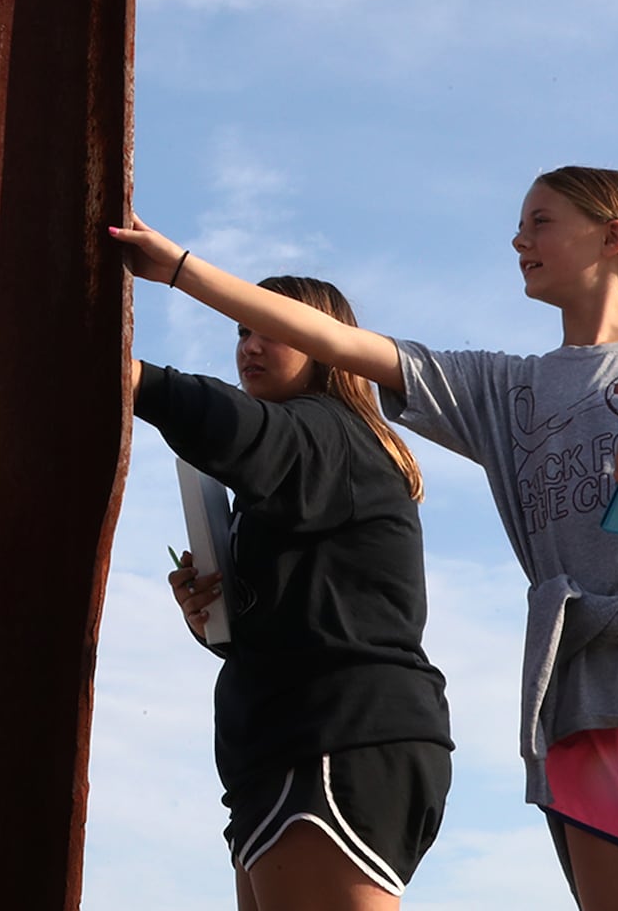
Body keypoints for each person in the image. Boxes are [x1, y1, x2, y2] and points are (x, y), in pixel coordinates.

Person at [110, 165, 618, 911]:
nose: (518, 239)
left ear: (612, 237)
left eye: (540, 221)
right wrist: (179, 270)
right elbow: (341, 343)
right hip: (584, 698)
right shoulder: (506, 392)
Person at [129, 273, 453, 911]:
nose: (250, 345)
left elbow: (238, 429)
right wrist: (222, 620)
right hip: (302, 740)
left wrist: (135, 378)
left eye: (271, 330)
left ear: (322, 342)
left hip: (330, 736)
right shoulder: (319, 455)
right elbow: (323, 611)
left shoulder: (327, 433)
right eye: (243, 331)